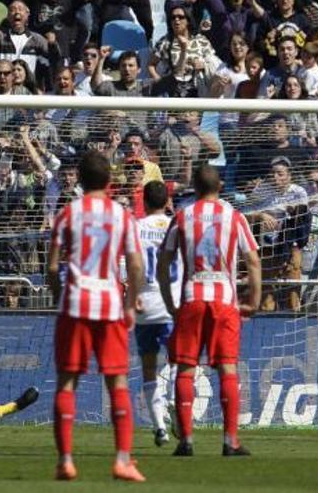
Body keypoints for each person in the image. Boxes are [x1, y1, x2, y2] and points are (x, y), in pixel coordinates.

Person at [46, 150, 145, 482]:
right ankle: (121, 460)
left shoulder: (67, 214)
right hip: (109, 303)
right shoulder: (122, 215)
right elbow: (135, 266)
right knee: (117, 380)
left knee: (67, 382)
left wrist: (60, 296)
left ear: (80, 178)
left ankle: (65, 460)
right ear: (109, 180)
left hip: (74, 302)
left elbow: (51, 267)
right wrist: (131, 303)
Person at [158, 164, 261, 457]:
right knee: (227, 368)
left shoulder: (182, 216)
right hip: (224, 300)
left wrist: (169, 302)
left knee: (186, 368)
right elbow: (253, 261)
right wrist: (254, 299)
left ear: (195, 186)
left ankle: (186, 441)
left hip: (192, 296)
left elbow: (163, 264)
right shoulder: (234, 216)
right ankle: (230, 441)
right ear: (220, 187)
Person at [135, 181, 181, 447]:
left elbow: (126, 264)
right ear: (167, 202)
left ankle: (160, 428)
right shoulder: (178, 227)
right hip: (172, 304)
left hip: (145, 304)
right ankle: (175, 398)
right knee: (177, 361)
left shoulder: (136, 228)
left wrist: (132, 296)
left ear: (144, 203)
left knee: (149, 371)